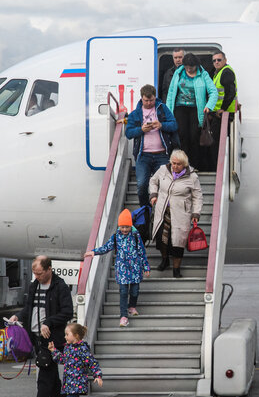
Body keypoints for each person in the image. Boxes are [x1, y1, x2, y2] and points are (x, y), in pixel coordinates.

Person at [11, 255, 73, 397]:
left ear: (49, 270)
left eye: (39, 274)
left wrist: (49, 322)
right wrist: (18, 316)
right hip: (37, 339)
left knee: (44, 382)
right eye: (34, 273)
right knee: (53, 383)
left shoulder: (60, 286)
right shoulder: (34, 286)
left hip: (52, 340)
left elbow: (67, 311)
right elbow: (29, 308)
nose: (37, 277)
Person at [84, 209, 150, 327]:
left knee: (135, 291)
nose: (124, 230)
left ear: (131, 226)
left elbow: (141, 252)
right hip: (122, 270)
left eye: (127, 227)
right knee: (123, 292)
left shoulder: (135, 236)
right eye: (122, 227)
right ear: (119, 226)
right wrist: (94, 252)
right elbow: (106, 247)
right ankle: (123, 316)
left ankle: (132, 306)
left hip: (135, 269)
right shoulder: (116, 237)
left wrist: (146, 267)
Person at [149, 149, 203, 278]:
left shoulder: (192, 176)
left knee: (178, 241)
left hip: (181, 212)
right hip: (163, 211)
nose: (175, 166)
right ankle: (165, 260)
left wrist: (196, 213)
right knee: (162, 238)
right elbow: (153, 181)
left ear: (184, 164)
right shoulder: (163, 169)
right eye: (173, 163)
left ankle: (176, 269)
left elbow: (197, 196)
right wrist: (153, 194)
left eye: (178, 164)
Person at [125, 84, 179, 207]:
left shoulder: (162, 108)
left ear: (155, 98)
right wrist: (141, 129)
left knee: (165, 185)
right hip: (143, 155)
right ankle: (145, 210)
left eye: (151, 100)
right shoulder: (135, 113)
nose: (149, 103)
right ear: (141, 99)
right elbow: (128, 133)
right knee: (142, 184)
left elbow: (174, 125)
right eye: (146, 100)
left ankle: (161, 211)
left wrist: (161, 125)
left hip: (162, 155)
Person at [49, 323, 103, 397]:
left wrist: (97, 375)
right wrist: (54, 351)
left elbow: (92, 362)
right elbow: (63, 359)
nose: (65, 337)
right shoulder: (68, 347)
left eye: (67, 334)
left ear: (76, 336)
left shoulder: (83, 349)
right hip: (69, 381)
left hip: (78, 382)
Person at [165, 53, 218, 171]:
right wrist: (168, 112)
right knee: (182, 135)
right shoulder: (179, 73)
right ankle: (183, 165)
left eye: (191, 67)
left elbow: (213, 92)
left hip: (196, 108)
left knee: (194, 136)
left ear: (196, 65)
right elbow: (171, 92)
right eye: (187, 66)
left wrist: (209, 106)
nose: (188, 68)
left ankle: (194, 165)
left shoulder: (203, 74)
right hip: (180, 107)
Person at [207, 50, 237, 170]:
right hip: (218, 114)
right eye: (214, 60)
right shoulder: (217, 73)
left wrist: (223, 108)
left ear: (225, 60)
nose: (216, 62)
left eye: (219, 60)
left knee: (217, 144)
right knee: (214, 143)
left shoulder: (226, 72)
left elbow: (230, 92)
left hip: (224, 115)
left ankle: (219, 168)